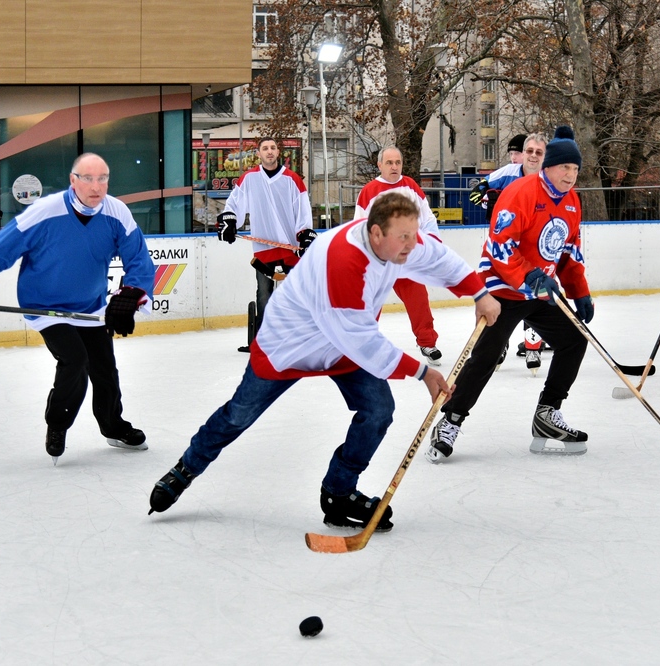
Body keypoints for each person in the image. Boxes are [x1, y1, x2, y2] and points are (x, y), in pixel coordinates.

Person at [148, 193, 501, 530]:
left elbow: (439, 259)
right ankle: (186, 469)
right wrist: (422, 372)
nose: (413, 243)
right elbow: (360, 339)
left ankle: (339, 492)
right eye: (405, 236)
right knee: (239, 415)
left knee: (378, 411)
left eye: (414, 233)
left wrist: (479, 293)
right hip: (290, 346)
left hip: (343, 347)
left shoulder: (398, 242)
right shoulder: (344, 258)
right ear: (376, 232)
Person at [0, 153, 156, 462]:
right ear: (73, 180)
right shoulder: (44, 211)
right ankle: (57, 424)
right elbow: (5, 247)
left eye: (103, 179)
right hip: (44, 306)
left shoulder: (117, 212)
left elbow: (138, 258)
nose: (96, 187)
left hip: (89, 305)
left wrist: (132, 292)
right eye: (88, 179)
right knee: (75, 361)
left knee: (105, 369)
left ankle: (112, 425)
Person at [427, 125, 593, 463]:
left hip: (539, 291)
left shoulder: (572, 202)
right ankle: (451, 420)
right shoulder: (520, 192)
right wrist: (528, 277)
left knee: (575, 339)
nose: (571, 175)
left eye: (576, 170)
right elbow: (500, 247)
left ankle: (548, 414)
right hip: (501, 288)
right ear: (548, 166)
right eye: (565, 168)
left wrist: (580, 292)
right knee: (486, 357)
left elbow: (568, 252)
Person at [215, 137, 315, 352]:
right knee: (264, 293)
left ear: (278, 152)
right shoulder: (249, 179)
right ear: (258, 154)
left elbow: (303, 210)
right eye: (265, 148)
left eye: (273, 148)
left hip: (290, 247)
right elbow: (234, 203)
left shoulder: (292, 179)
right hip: (263, 249)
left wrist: (305, 233)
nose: (269, 152)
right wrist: (230, 222)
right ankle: (262, 343)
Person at [354, 146, 445, 366]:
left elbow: (428, 219)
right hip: (380, 262)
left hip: (407, 260)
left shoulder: (411, 187)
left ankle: (427, 342)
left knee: (419, 302)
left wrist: (433, 242)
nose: (394, 167)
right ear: (379, 165)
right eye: (389, 163)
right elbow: (358, 227)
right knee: (370, 305)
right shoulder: (369, 191)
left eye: (397, 162)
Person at [470, 133, 550, 373]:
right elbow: (480, 191)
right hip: (505, 249)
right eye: (528, 151)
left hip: (535, 252)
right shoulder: (507, 173)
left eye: (539, 152)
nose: (531, 156)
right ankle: (498, 344)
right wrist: (488, 200)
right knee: (500, 296)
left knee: (535, 297)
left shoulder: (550, 180)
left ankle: (533, 345)